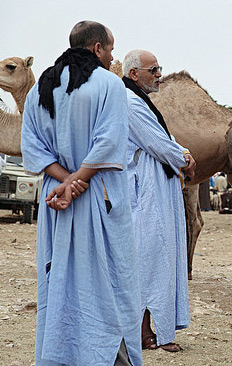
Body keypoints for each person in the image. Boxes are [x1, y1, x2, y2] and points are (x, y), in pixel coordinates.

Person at [20, 21, 142, 366]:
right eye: (112, 49)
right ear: (97, 49)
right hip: (98, 197)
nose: (112, 56)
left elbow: (32, 146)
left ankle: (62, 355)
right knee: (111, 281)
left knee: (60, 278)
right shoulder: (109, 84)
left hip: (56, 198)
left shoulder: (41, 87)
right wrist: (78, 182)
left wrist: (66, 181)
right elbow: (110, 140)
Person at [122, 49, 195, 352]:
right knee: (149, 260)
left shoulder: (141, 102)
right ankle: (142, 332)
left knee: (159, 258)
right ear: (134, 74)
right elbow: (158, 144)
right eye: (153, 70)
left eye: (159, 69)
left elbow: (160, 141)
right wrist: (185, 157)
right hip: (146, 193)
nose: (158, 75)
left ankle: (154, 328)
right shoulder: (130, 104)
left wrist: (180, 154)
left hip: (156, 190)